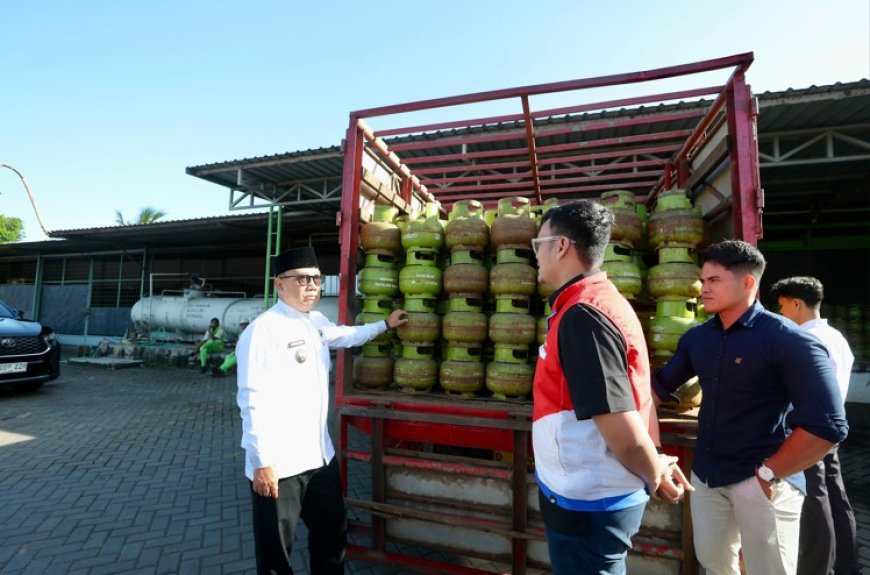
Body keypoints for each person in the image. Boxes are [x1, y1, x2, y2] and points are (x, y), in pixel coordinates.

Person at [652, 240, 849, 575]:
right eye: (703, 279)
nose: (703, 288)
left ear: (747, 283)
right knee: (714, 564)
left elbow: (829, 425)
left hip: (761, 480)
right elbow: (656, 390)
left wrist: (768, 475)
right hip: (707, 477)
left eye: (714, 280)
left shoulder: (789, 340)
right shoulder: (698, 339)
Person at [531, 200, 691, 575]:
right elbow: (634, 396)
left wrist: (654, 474)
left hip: (589, 498)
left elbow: (617, 420)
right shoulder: (594, 302)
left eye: (538, 244)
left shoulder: (583, 314)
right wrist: (657, 461)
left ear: (561, 246)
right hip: (587, 491)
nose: (535, 254)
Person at [235, 246, 406, 575]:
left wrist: (384, 324)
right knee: (276, 554)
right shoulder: (262, 331)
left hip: (319, 458)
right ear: (279, 284)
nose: (312, 285)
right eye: (302, 279)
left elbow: (347, 335)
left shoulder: (315, 322)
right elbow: (251, 399)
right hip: (279, 465)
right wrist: (262, 462)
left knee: (331, 540)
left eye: (317, 278)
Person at [770, 276, 858, 575]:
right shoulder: (836, 337)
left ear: (797, 304)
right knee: (835, 498)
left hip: (808, 430)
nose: (781, 315)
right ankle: (846, 564)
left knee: (813, 500)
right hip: (832, 427)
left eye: (782, 307)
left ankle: (817, 568)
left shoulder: (806, 340)